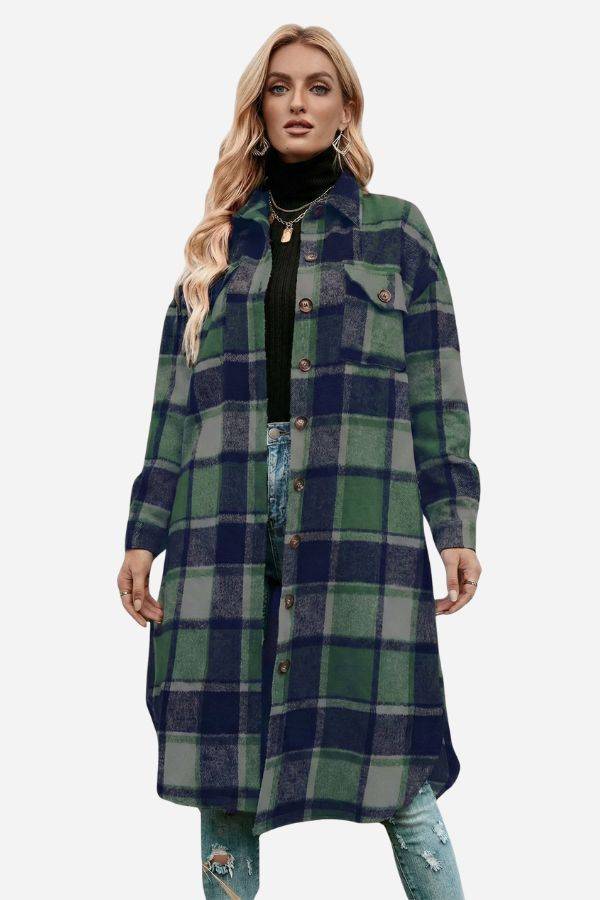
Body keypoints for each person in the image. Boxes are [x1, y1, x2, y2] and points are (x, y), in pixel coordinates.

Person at [117, 24, 482, 900]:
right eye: (280, 88)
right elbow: (174, 404)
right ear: (258, 108)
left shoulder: (396, 232)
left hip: (357, 513)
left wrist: (455, 525)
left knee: (395, 760)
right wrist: (143, 532)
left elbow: (436, 390)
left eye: (319, 88)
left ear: (346, 109)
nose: (298, 104)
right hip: (221, 513)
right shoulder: (218, 245)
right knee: (223, 766)